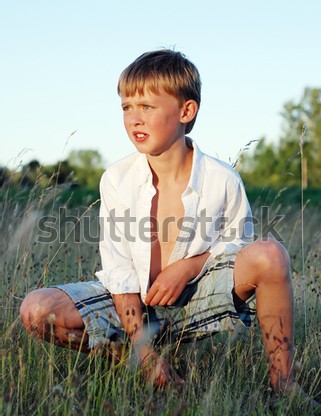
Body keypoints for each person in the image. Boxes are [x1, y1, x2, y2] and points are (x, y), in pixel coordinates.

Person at [20, 49, 295, 393]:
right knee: (37, 309)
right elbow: (119, 273)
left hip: (196, 303)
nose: (134, 118)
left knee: (271, 253)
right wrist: (144, 352)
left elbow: (238, 245)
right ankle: (141, 361)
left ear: (186, 110)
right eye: (126, 107)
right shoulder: (117, 178)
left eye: (147, 107)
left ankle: (283, 385)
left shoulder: (221, 179)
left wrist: (189, 266)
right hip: (131, 307)